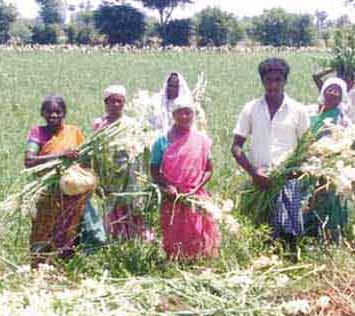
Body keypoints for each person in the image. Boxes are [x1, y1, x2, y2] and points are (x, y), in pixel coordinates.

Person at [232, 57, 309, 250]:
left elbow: (307, 147)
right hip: (260, 180)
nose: (273, 85)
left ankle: (289, 266)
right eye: (268, 80)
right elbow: (236, 147)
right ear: (262, 81)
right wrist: (253, 172)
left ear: (285, 81)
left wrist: (294, 172)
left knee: (288, 234)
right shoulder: (250, 108)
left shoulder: (298, 110)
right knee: (261, 232)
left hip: (288, 180)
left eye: (278, 80)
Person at [150, 94, 219, 260]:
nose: (184, 116)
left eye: (188, 113)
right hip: (172, 197)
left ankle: (199, 262)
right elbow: (154, 171)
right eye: (180, 113)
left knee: (198, 231)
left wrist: (196, 187)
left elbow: (209, 169)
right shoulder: (161, 141)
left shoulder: (201, 140)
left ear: (193, 115)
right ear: (173, 115)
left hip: (195, 196)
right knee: (174, 232)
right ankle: (175, 262)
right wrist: (168, 187)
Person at [24, 95, 87, 267]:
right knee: (43, 227)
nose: (53, 116)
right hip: (47, 191)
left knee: (68, 228)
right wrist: (61, 155)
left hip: (70, 191)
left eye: (57, 112)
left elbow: (84, 159)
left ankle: (63, 267)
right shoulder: (37, 132)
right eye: (49, 112)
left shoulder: (75, 132)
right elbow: (29, 161)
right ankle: (37, 265)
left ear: (64, 113)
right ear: (43, 114)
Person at [93, 85, 153, 242]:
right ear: (105, 103)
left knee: (132, 209)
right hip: (109, 177)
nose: (116, 105)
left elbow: (140, 150)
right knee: (112, 209)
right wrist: (97, 181)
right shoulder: (100, 125)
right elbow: (95, 152)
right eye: (112, 101)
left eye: (119, 101)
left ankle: (135, 242)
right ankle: (114, 242)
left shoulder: (131, 124)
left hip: (130, 177)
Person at [305, 77, 350, 242]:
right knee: (308, 199)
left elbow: (349, 143)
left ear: (342, 96)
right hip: (307, 163)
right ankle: (308, 235)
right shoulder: (309, 111)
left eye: (337, 91)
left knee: (329, 200)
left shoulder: (343, 119)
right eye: (330, 89)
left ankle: (330, 238)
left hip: (330, 166)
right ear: (323, 91)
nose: (333, 93)